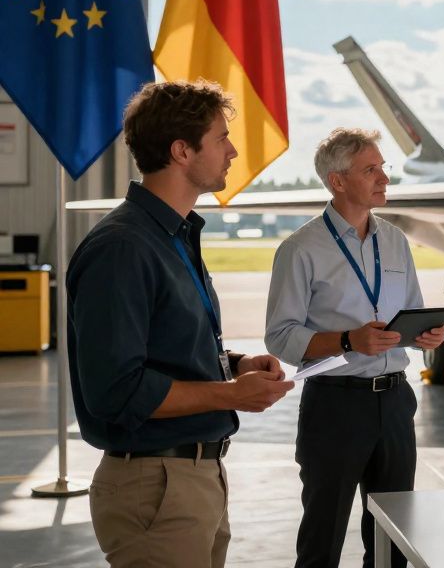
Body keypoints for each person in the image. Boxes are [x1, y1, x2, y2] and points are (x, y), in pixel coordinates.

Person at [68, 81, 293, 568]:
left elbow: (167, 347)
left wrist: (234, 365)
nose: (232, 150)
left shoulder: (171, 235)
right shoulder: (123, 247)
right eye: (221, 138)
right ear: (181, 151)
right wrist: (232, 395)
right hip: (156, 486)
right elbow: (116, 390)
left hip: (192, 478)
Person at [265, 128, 444, 568]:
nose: (384, 177)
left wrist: (427, 335)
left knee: (393, 540)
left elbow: (413, 311)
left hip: (396, 403)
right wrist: (349, 340)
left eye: (383, 167)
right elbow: (281, 336)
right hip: (335, 406)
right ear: (338, 181)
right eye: (371, 169)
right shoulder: (300, 249)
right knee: (322, 541)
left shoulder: (396, 241)